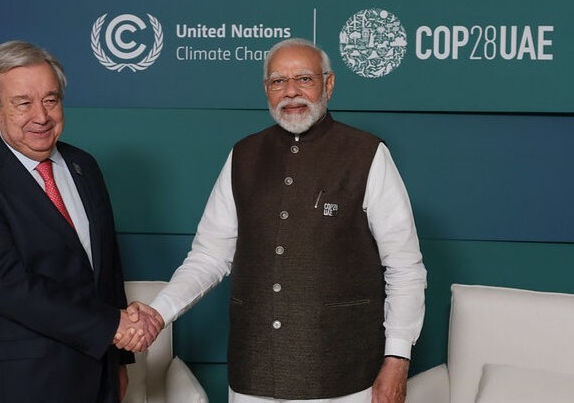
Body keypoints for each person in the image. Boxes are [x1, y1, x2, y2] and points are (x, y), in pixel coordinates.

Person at [134, 37, 427, 403]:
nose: (291, 92)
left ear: (328, 85)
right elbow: (209, 257)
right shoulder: (243, 155)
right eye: (277, 81)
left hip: (344, 377)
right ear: (266, 90)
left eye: (304, 79)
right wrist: (157, 314)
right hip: (254, 374)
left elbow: (405, 267)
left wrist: (397, 359)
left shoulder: (367, 154)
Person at [0, 40, 163, 403]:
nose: (41, 116)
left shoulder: (84, 166)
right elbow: (7, 286)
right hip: (18, 384)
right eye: (23, 103)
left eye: (50, 99)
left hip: (96, 376)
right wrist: (113, 327)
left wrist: (120, 362)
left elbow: (107, 271)